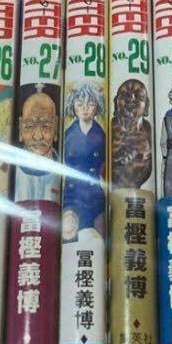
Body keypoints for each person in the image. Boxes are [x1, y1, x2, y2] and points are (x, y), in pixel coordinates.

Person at [61, 83, 107, 241]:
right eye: (80, 105)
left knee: (98, 239)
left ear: (97, 106)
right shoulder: (68, 135)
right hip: (72, 194)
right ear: (73, 106)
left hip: (95, 194)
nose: (85, 109)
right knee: (69, 236)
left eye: (91, 104)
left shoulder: (101, 135)